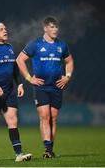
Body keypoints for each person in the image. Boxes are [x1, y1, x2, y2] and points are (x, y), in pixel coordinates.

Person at [16, 16, 74, 158]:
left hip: (56, 86)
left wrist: (67, 76)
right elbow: (20, 60)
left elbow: (70, 61)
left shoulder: (62, 45)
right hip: (41, 86)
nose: (55, 30)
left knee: (53, 117)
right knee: (44, 116)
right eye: (52, 27)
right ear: (45, 28)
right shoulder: (35, 44)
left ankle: (50, 149)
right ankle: (47, 149)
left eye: (56, 27)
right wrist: (29, 78)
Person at [0, 22, 32, 162]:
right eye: (1, 29)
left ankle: (19, 154)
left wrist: (20, 83)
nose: (5, 31)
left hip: (9, 90)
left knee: (13, 120)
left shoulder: (9, 48)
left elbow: (14, 68)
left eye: (5, 29)